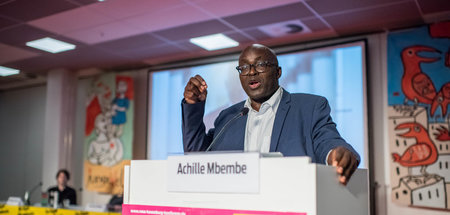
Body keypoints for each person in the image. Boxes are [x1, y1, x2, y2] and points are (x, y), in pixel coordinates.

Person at [182, 44, 360, 185]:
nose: (251, 71)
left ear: (278, 72)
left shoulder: (310, 107)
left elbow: (327, 141)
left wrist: (337, 153)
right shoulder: (229, 116)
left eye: (260, 65)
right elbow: (197, 156)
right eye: (244, 67)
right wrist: (193, 106)